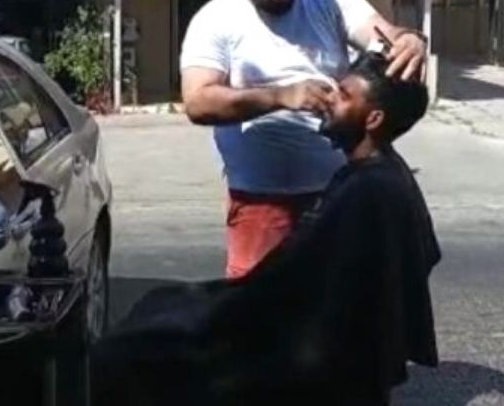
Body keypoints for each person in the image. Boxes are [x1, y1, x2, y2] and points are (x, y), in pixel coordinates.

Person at [94, 52, 440, 406]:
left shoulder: (368, 189)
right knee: (160, 307)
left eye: (345, 95)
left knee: (128, 349)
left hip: (314, 358)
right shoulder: (384, 176)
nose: (330, 99)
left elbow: (282, 289)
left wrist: (211, 312)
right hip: (318, 338)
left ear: (374, 118)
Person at [181, 0, 429, 278]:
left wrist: (408, 39)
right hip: (261, 201)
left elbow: (384, 35)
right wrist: (279, 96)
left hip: (339, 193)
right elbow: (198, 101)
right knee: (258, 315)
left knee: (337, 308)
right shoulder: (216, 20)